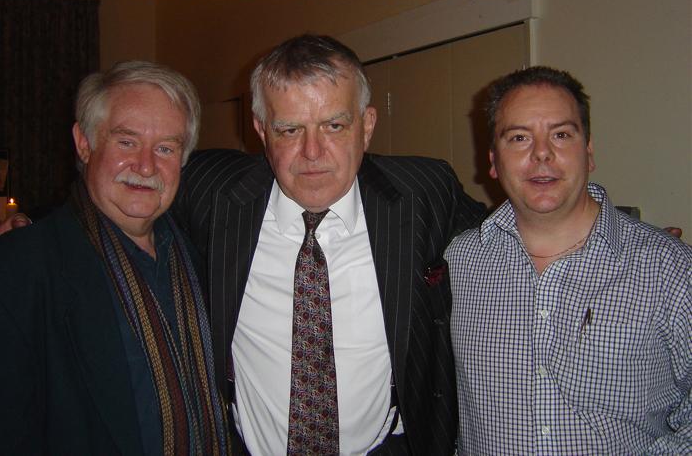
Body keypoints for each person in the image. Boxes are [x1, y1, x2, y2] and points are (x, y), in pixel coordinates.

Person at [173, 34, 486, 454]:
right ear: (261, 130)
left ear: (367, 126)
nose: (312, 152)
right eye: (289, 130)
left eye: (334, 126)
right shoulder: (210, 192)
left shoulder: (423, 193)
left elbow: (512, 235)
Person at [0, 61, 230, 455]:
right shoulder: (13, 272)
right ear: (84, 143)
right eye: (126, 142)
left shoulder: (206, 255)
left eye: (166, 148)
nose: (146, 165)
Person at [445, 66, 692, 454]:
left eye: (561, 134)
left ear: (588, 152)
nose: (542, 153)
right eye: (519, 137)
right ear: (493, 161)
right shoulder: (459, 262)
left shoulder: (670, 270)